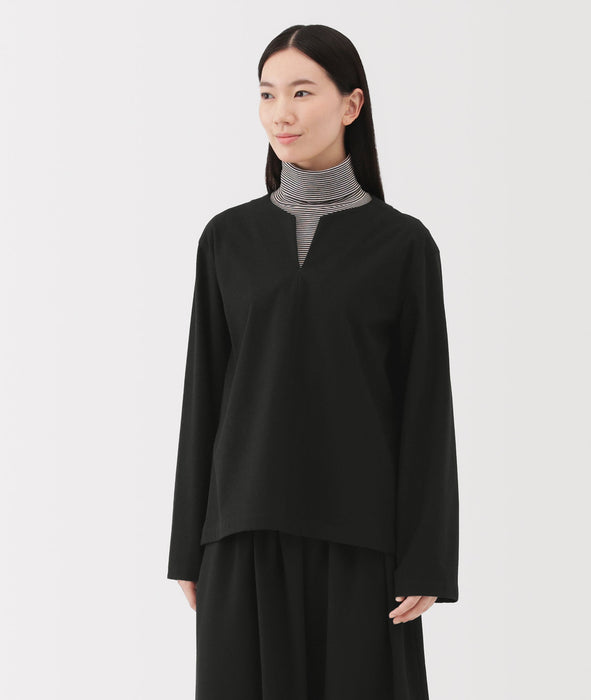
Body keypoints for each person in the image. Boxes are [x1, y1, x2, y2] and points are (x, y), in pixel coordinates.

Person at [167, 23, 460, 700]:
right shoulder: (227, 239)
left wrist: (427, 558)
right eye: (268, 94)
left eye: (302, 92)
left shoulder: (403, 245)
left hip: (361, 539)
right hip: (242, 533)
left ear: (351, 104)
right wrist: (187, 545)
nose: (282, 113)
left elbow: (425, 407)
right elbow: (203, 393)